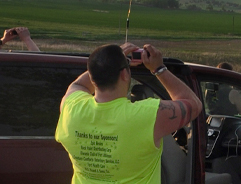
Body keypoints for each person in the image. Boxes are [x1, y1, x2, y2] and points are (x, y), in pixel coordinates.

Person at [55, 42, 203, 184]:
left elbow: (78, 85)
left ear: (92, 76)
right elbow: (194, 105)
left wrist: (107, 62)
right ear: (125, 75)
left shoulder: (71, 108)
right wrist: (159, 69)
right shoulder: (146, 116)